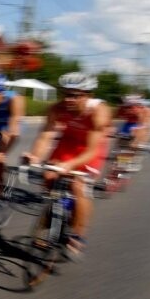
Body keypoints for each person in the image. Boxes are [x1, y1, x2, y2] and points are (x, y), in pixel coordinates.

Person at [23, 72, 111, 257]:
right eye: (65, 94)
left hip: (90, 149)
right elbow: (46, 135)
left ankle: (78, 235)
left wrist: (71, 164)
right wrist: (35, 156)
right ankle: (54, 213)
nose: (68, 99)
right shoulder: (56, 108)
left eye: (75, 95)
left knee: (78, 186)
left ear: (88, 95)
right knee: (49, 176)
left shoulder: (99, 111)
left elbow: (91, 150)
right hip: (68, 144)